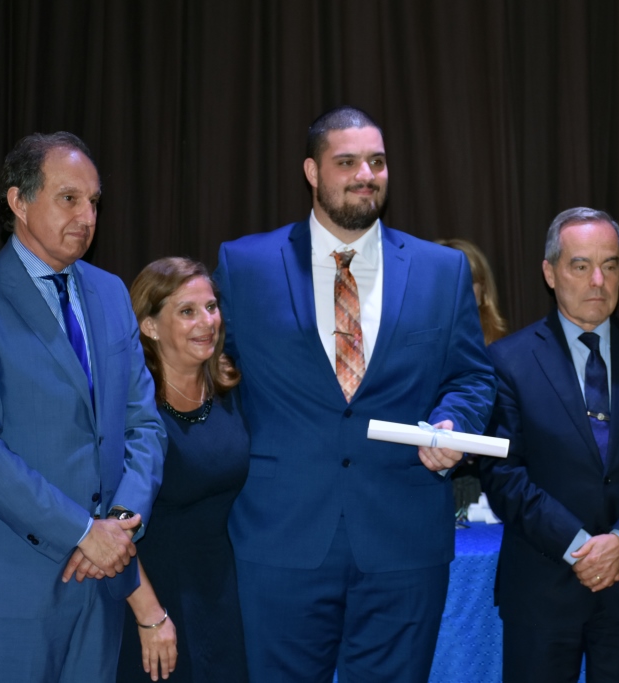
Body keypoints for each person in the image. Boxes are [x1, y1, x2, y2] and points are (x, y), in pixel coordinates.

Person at [214, 106, 496, 683]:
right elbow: (211, 378)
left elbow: (472, 377)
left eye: (377, 162)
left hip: (403, 540)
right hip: (279, 539)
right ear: (312, 172)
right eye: (347, 162)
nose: (365, 174)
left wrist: (450, 423)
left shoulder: (441, 270)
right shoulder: (244, 264)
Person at [0, 132, 166, 681]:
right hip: (12, 591)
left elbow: (144, 425)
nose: (86, 215)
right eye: (69, 198)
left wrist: (120, 526)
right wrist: (84, 532)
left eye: (94, 201)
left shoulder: (109, 293)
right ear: (19, 202)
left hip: (104, 581)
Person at [479, 207, 619, 682]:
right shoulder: (508, 361)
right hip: (541, 589)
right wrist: (580, 548)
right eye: (580, 265)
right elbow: (503, 473)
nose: (598, 280)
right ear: (550, 272)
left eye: (611, 265)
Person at [117, 258, 250, 682]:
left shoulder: (231, 386)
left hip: (226, 598)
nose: (207, 322)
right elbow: (108, 530)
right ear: (149, 326)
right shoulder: (127, 408)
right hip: (149, 603)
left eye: (211, 307)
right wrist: (150, 616)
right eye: (187, 311)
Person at [435, 238, 509, 510]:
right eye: (445, 281)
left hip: (488, 486)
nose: (456, 290)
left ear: (483, 291)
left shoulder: (509, 354)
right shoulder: (409, 351)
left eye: (467, 281)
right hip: (427, 480)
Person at [435, 238, 509, 345]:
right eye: (450, 284)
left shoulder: (503, 346)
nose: (459, 293)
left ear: (483, 286)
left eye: (468, 283)